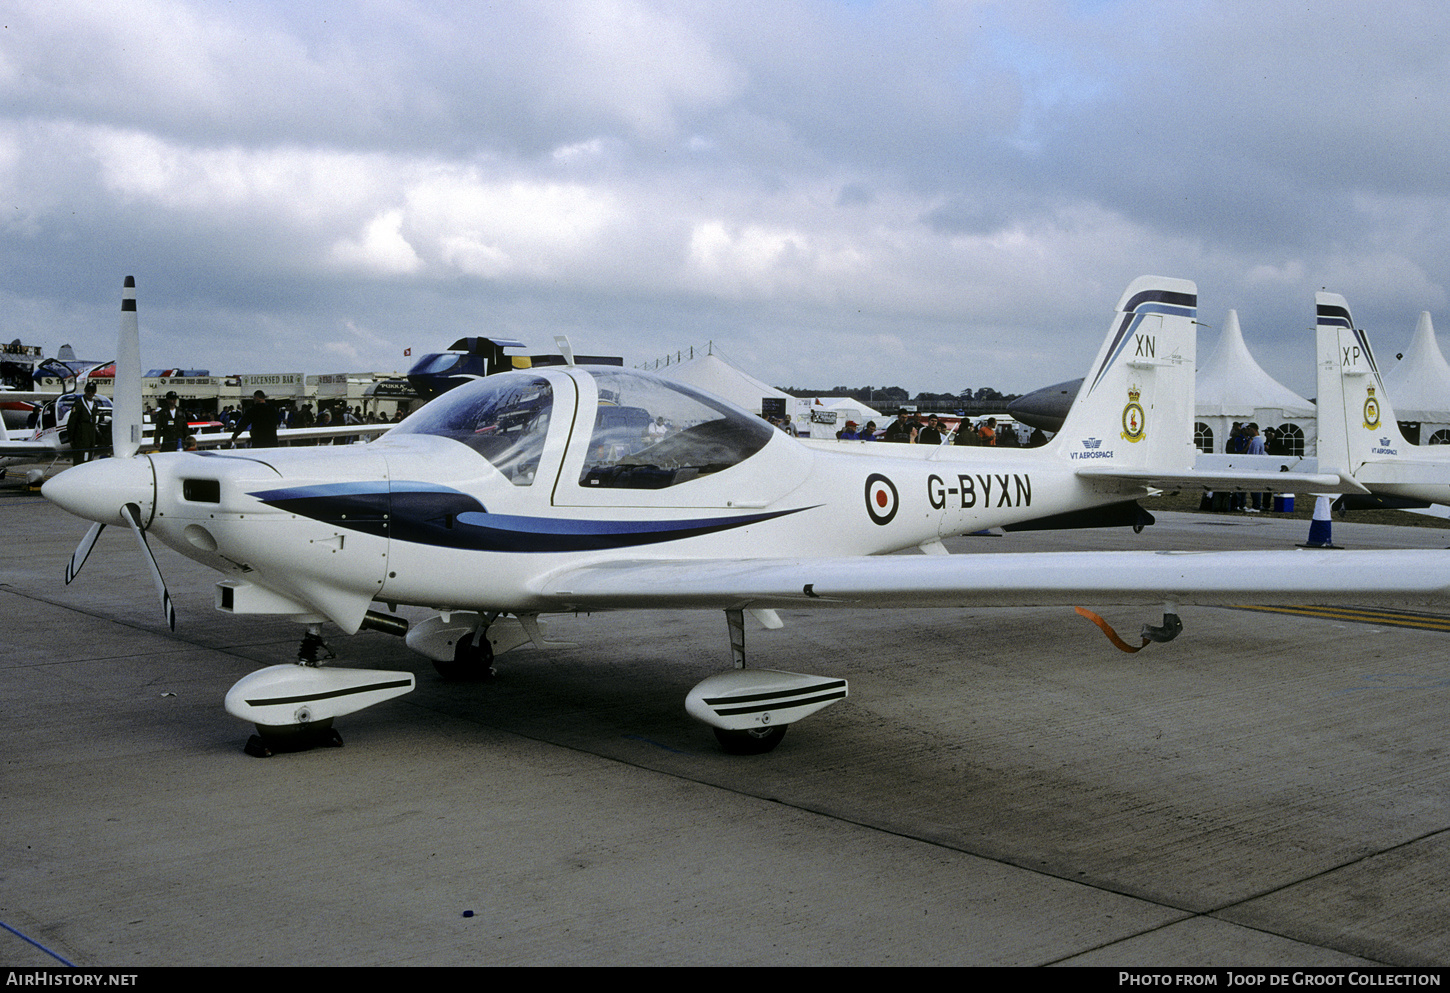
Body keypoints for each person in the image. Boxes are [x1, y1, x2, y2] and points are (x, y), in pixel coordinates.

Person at [67, 382, 102, 463]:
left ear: (95, 392)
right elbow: (72, 422)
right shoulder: (78, 404)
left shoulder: (95, 405)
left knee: (89, 461)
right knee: (79, 461)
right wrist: (71, 438)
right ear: (85, 391)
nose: (90, 393)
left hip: (90, 439)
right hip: (80, 439)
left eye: (92, 391)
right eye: (88, 390)